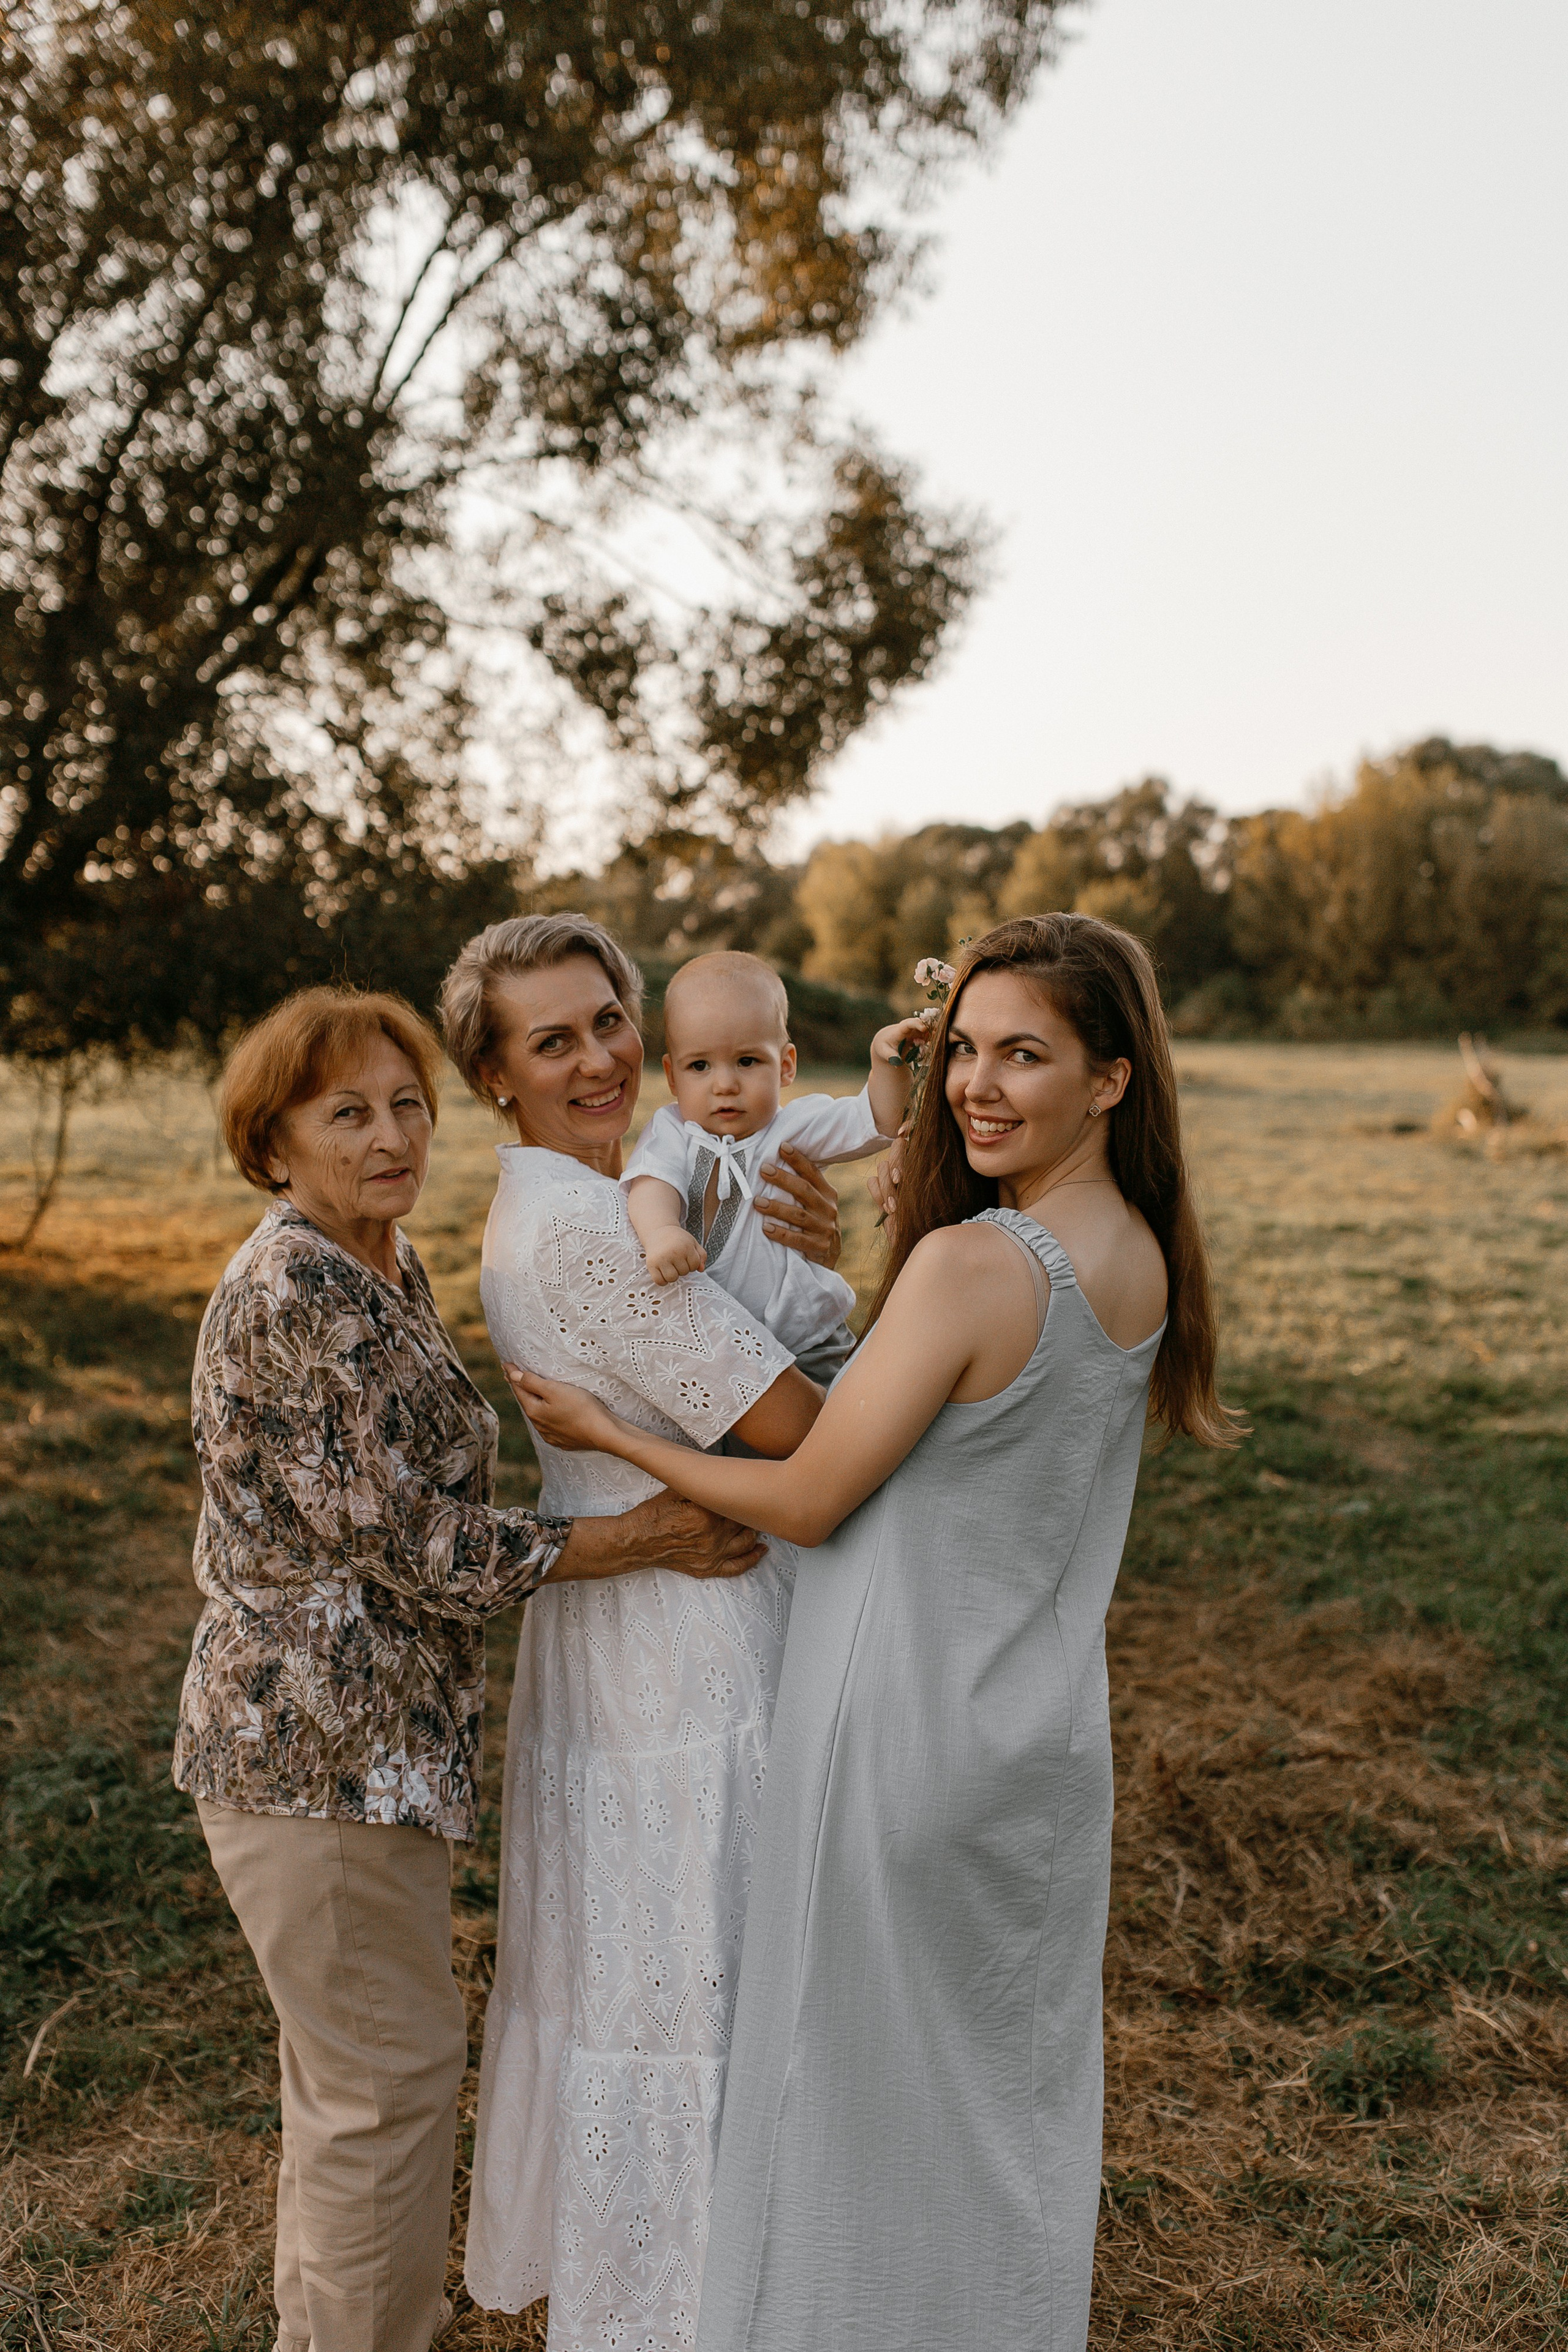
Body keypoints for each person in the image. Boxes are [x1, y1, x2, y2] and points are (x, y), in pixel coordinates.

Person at [510, 913, 1245, 2352]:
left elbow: (807, 1494)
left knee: (838, 2111)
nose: (975, 1082)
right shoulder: (1138, 1253)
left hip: (894, 1730)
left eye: (1020, 1053)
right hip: (1031, 1738)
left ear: (1109, 1076)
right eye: (961, 1047)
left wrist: (611, 1431)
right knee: (996, 2109)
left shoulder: (975, 1267)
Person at [173, 986, 767, 2352]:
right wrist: (634, 1536)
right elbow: (404, 1538)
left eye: (404, 1105)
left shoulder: (378, 1262)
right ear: (273, 1146)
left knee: (350, 2089)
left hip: (365, 1756)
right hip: (311, 1757)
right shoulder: (293, 1285)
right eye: (346, 1115)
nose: (391, 1137)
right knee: (383, 2089)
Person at [438, 916, 844, 2350]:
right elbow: (799, 1433)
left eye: (610, 1018)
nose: (604, 1055)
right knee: (699, 1979)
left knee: (649, 1967)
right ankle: (698, 2307)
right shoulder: (587, 1233)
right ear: (495, 1075)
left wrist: (810, 1269)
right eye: (554, 1040)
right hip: (691, 1639)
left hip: (626, 1638)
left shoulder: (573, 1202)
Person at [622, 949, 925, 1380]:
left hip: (803, 1340)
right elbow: (652, 1186)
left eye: (747, 1061)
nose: (725, 1084)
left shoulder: (794, 1127)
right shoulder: (672, 1131)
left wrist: (886, 1063)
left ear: (785, 1066)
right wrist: (663, 1233)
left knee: (821, 1434)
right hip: (716, 1342)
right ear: (672, 1077)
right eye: (700, 1066)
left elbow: (877, 1118)